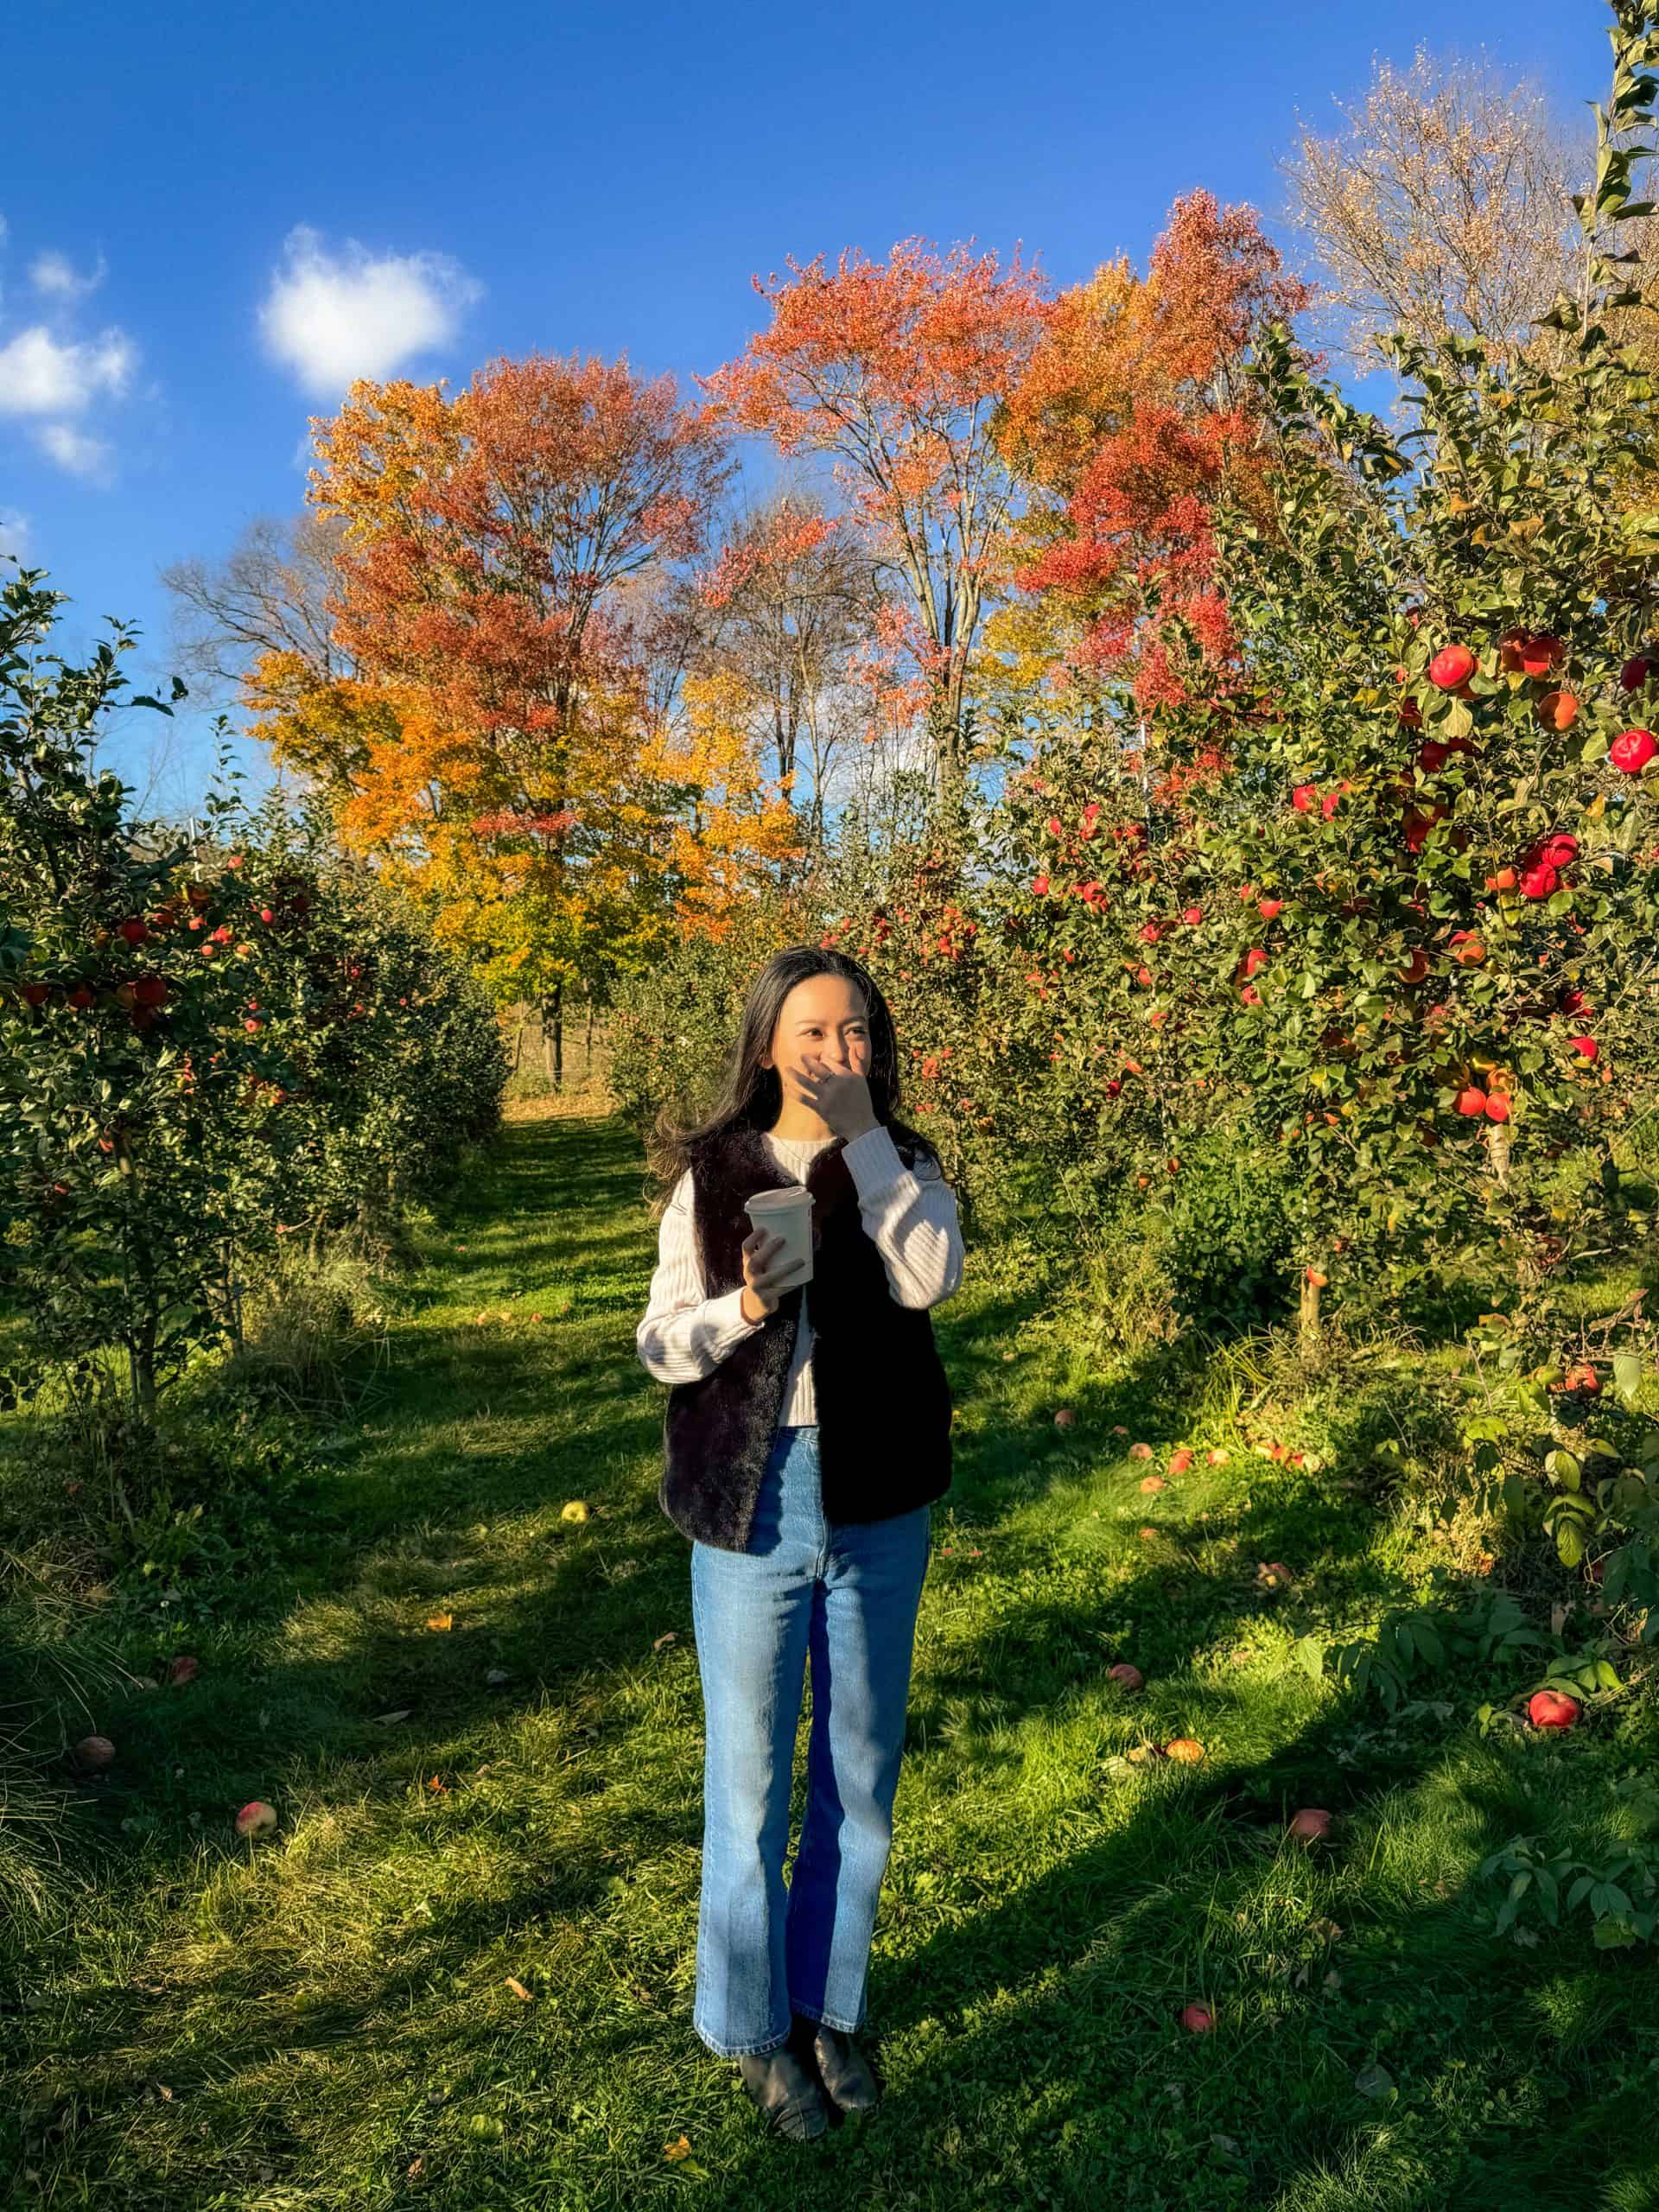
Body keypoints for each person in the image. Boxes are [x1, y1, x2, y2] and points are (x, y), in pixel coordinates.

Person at [635, 943, 964, 2141]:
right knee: (750, 1776)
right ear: (769, 1040)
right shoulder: (716, 1174)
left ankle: (832, 2006)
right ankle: (753, 2028)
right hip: (751, 1498)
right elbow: (659, 1347)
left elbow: (929, 1281)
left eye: (860, 1033)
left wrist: (867, 1137)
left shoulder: (908, 1167)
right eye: (816, 1033)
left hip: (880, 1499)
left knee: (860, 1774)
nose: (839, 1053)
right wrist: (746, 1310)